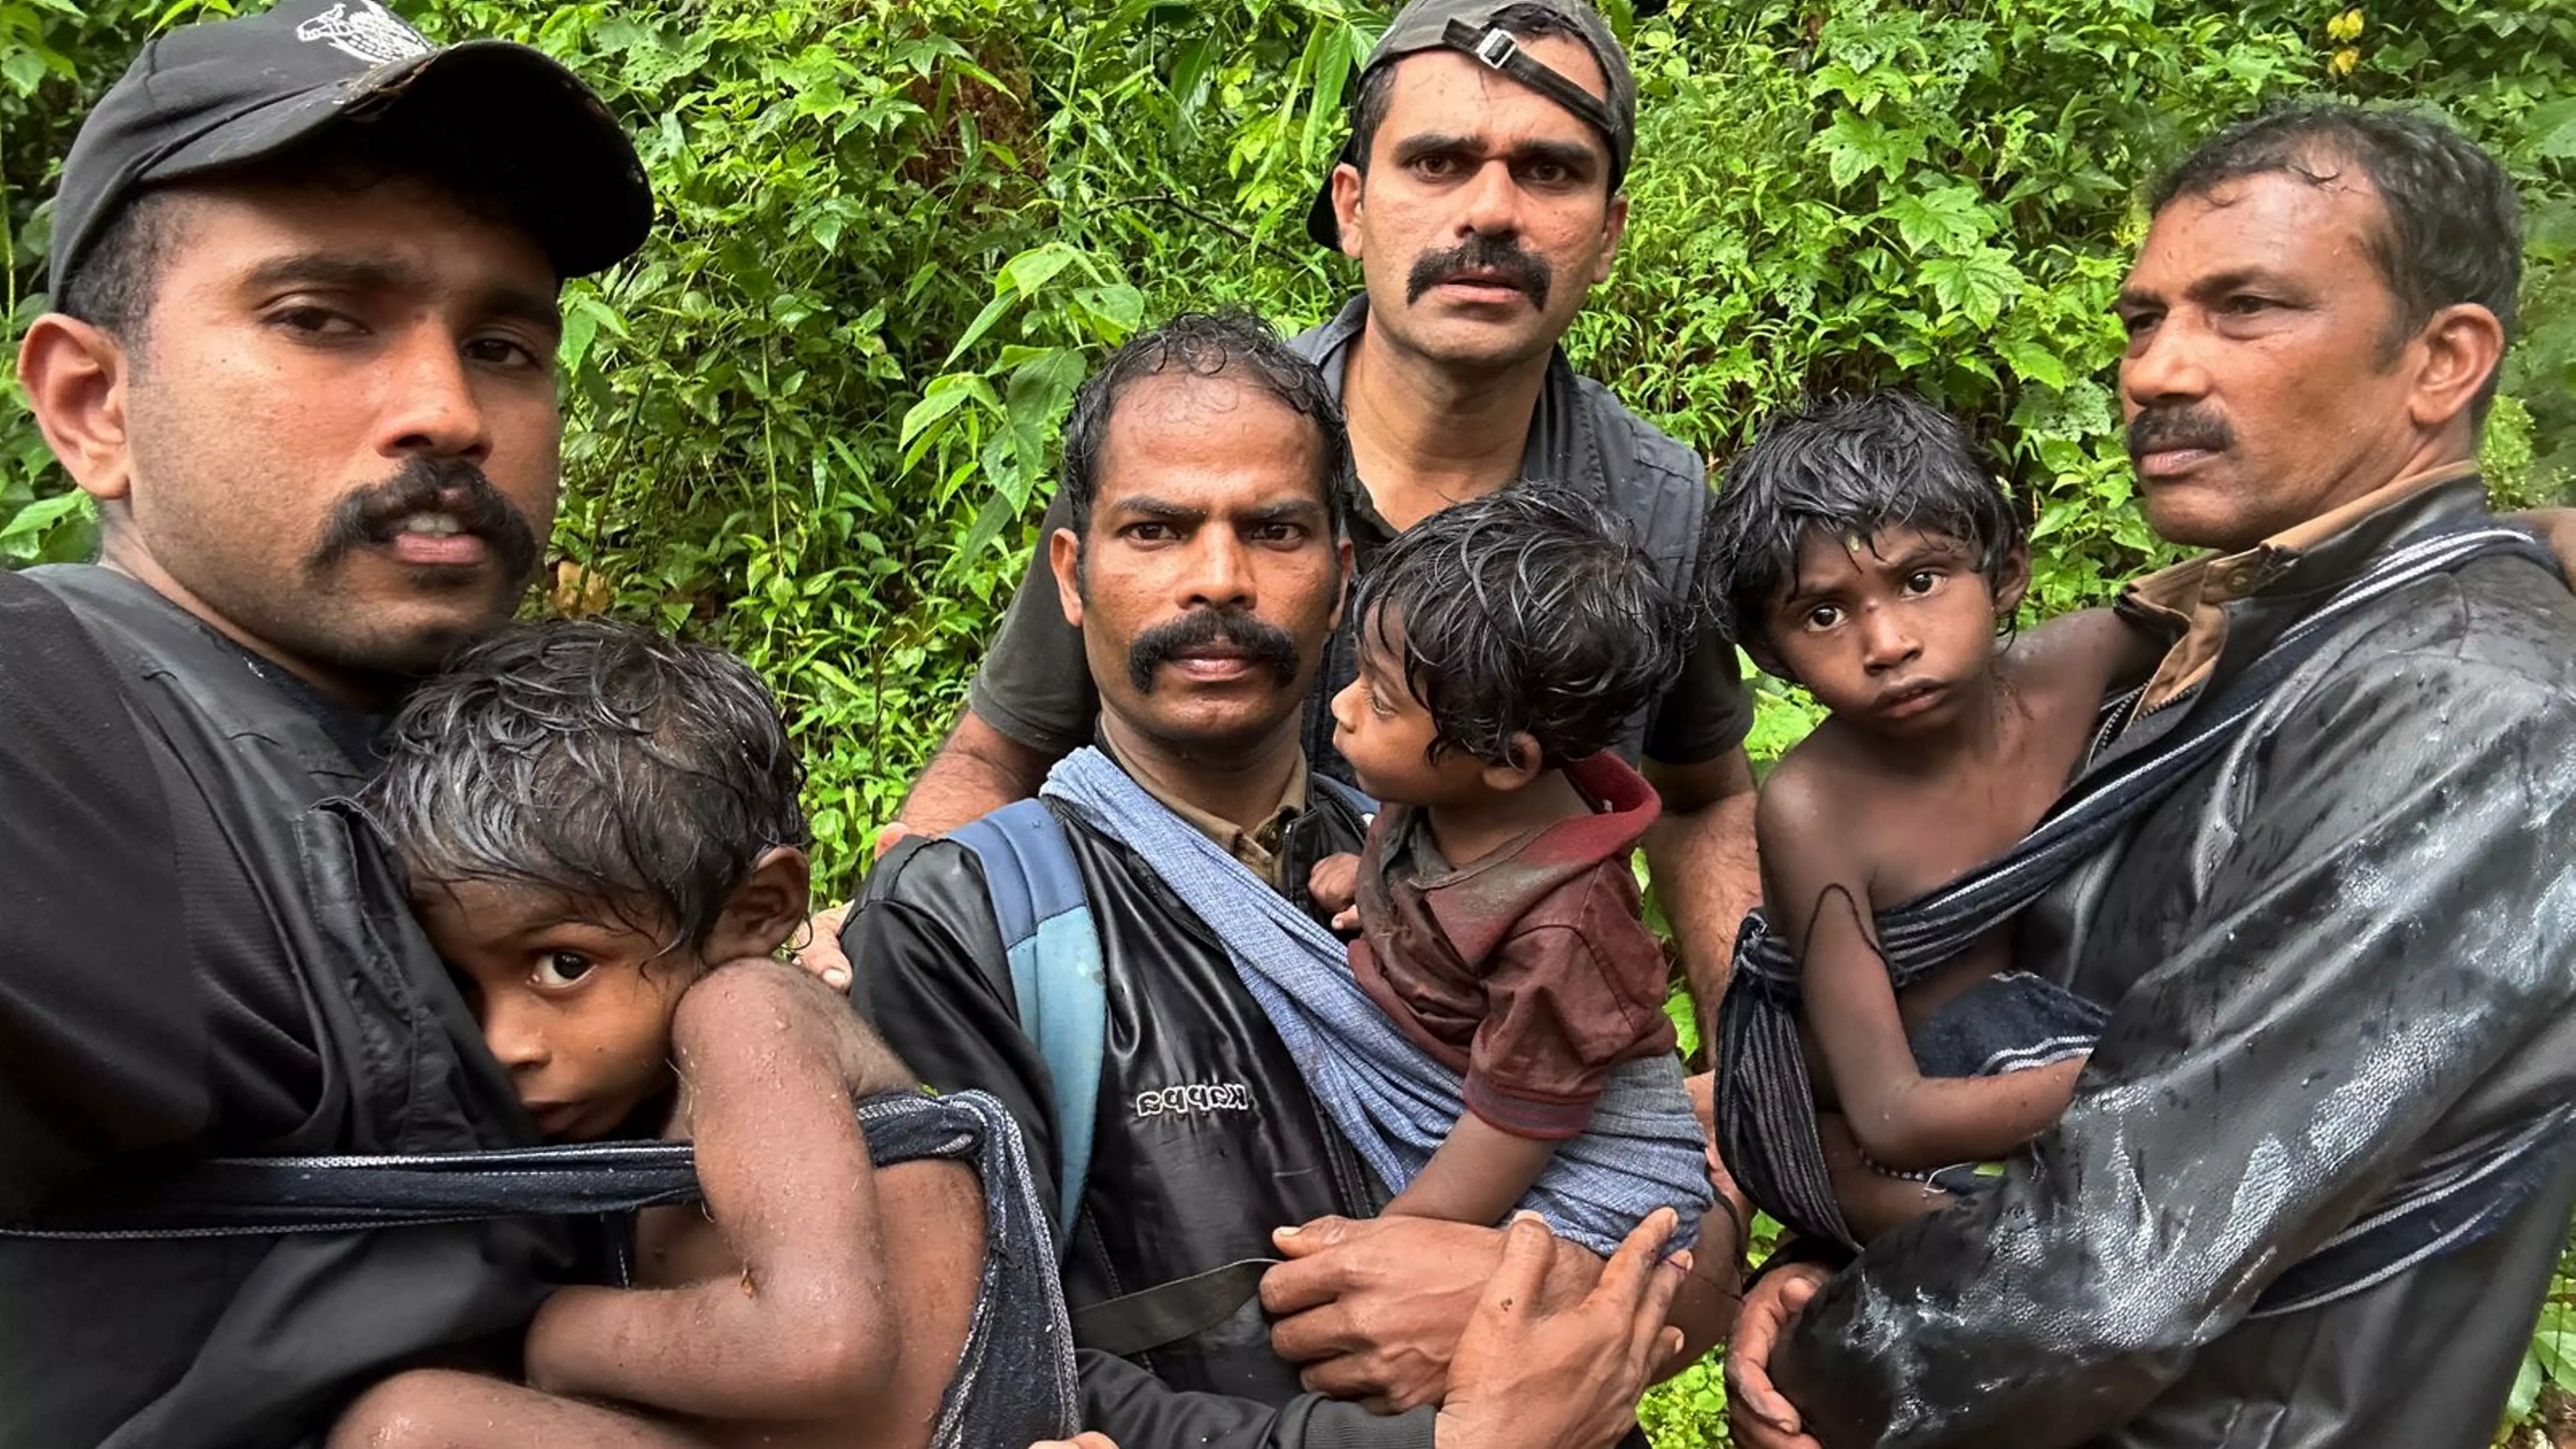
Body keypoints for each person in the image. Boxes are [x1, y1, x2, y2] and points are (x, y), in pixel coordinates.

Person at [0, 6, 991, 1445]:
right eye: (321, 316)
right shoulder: (59, 725)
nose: (447, 409)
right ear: (94, 404)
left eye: (507, 343)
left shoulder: (530, 749)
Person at [1725, 104, 2576, 1449]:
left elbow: (2118, 1258)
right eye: (2141, 320)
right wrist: (1846, 1261)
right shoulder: (2258, 631)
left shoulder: (2457, 699)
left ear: (2442, 363)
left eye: (2244, 308)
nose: (2157, 370)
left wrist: (1834, 1366)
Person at [841, 311, 1746, 1449]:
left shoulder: (1470, 873)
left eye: (1273, 529)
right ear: (1073, 576)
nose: (1217, 580)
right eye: (1157, 530)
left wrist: (1533, 1281)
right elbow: (968, 1365)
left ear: (1343, 576)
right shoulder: (965, 927)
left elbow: (1682, 1224)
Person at [825, 0, 1759, 1038]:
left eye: (1549, 171)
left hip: (1489, 1062)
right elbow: (1004, 750)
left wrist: (1748, 1078)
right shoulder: (1192, 448)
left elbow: (1703, 794)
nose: (1492, 212)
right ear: (1354, 205)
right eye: (1440, 162)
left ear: (1608, 230)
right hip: (1161, 1032)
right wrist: (897, 915)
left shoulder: (1651, 504)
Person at [326, 621, 1063, 1448]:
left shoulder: (746, 1012)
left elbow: (820, 1345)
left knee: (409, 1427)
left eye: (564, 964)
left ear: (757, 910)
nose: (504, 1043)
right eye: (462, 983)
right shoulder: (675, 1083)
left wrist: (560, 1333)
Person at [1700, 393, 2156, 1244]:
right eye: (1823, 613)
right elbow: (1889, 1116)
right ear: (1772, 655)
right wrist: (2163, 1063)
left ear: (2008, 571)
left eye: (1921, 581)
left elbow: (2268, 606)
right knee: (2030, 1248)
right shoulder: (1816, 809)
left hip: (2036, 1069)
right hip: (1864, 1141)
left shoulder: (2086, 664)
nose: (1887, 643)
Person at [1308, 486, 1703, 1234]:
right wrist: (1371, 882)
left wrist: (1399, 1239)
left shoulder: (1563, 936)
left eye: (1381, 701)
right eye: (1358, 673)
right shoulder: (1442, 792)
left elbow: (1510, 1129)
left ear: (1506, 761)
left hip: (1517, 1117)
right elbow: (1430, 873)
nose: (1342, 706)